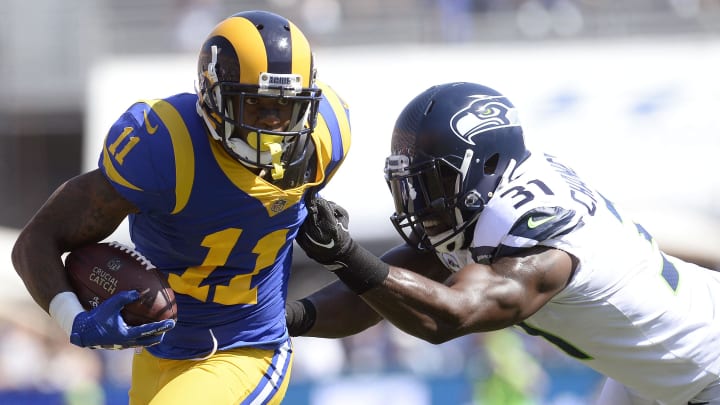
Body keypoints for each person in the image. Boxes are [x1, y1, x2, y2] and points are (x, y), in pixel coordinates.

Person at [286, 81, 720, 405]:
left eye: (431, 183)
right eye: (409, 187)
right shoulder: (487, 200)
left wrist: (344, 253)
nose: (420, 204)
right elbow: (371, 294)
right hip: (660, 368)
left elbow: (449, 316)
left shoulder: (541, 237)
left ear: (487, 165)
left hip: (707, 366)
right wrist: (280, 316)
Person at [12, 10, 351, 405]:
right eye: (256, 108)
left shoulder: (324, 138)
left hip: (245, 351)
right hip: (159, 354)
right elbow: (36, 240)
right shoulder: (167, 147)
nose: (273, 127)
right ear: (212, 95)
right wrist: (74, 319)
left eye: (286, 109)